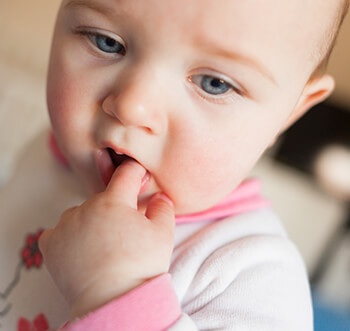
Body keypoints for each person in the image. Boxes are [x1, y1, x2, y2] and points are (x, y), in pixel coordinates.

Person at [0, 0, 348, 330]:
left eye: (214, 83)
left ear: (290, 114)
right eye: (106, 41)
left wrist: (115, 294)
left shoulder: (254, 280)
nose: (132, 107)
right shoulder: (53, 155)